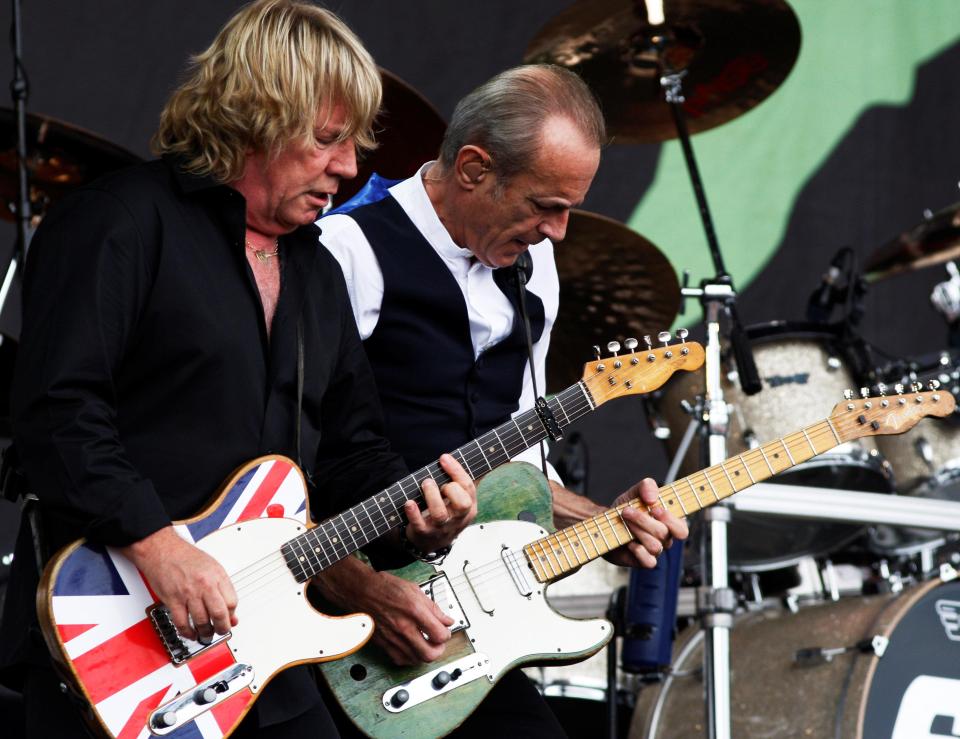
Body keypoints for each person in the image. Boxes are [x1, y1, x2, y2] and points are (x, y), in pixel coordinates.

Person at [0, 2, 477, 737]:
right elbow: (57, 410)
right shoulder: (118, 223)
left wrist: (422, 518)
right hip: (114, 642)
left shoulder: (316, 270)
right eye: (327, 139)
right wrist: (157, 545)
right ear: (257, 113)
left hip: (264, 654)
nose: (349, 167)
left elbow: (351, 451)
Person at [315, 65, 689, 737]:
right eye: (545, 205)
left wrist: (603, 521)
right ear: (472, 168)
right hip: (340, 619)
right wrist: (363, 588)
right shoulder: (348, 251)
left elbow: (517, 460)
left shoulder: (533, 264)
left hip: (463, 619)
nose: (560, 231)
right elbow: (283, 459)